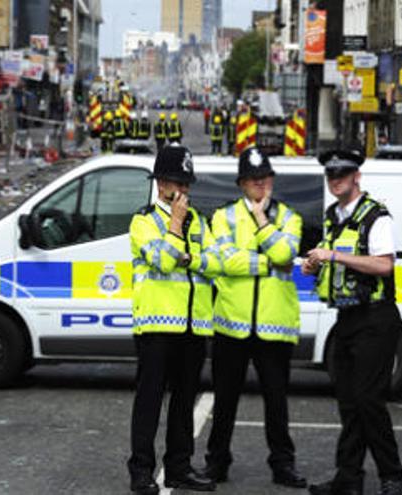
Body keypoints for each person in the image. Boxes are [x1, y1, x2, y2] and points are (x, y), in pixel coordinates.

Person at [302, 149, 402, 495]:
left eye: (343, 174)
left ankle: (392, 475)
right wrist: (315, 264)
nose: (336, 180)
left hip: (376, 317)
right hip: (345, 318)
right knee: (348, 401)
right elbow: (336, 258)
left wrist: (333, 255)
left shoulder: (375, 215)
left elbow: (384, 265)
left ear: (357, 177)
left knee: (368, 399)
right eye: (331, 175)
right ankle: (348, 478)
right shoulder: (334, 215)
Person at [202, 147, 306, 489]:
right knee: (225, 400)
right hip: (232, 323)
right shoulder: (223, 217)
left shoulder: (290, 217)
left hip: (274, 325)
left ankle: (282, 465)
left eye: (265, 179)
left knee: (277, 403)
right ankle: (216, 463)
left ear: (272, 180)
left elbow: (285, 253)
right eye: (253, 181)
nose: (260, 186)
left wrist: (263, 222)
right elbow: (222, 261)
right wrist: (267, 263)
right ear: (242, 184)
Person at [128, 145, 222, 495]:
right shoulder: (143, 221)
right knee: (149, 402)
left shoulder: (200, 220)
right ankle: (141, 471)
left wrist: (189, 257)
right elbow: (164, 261)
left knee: (184, 403)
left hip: (193, 326)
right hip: (156, 325)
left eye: (186, 183)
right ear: (160, 184)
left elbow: (214, 263)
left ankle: (180, 468)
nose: (182, 190)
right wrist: (176, 226)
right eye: (175, 183)